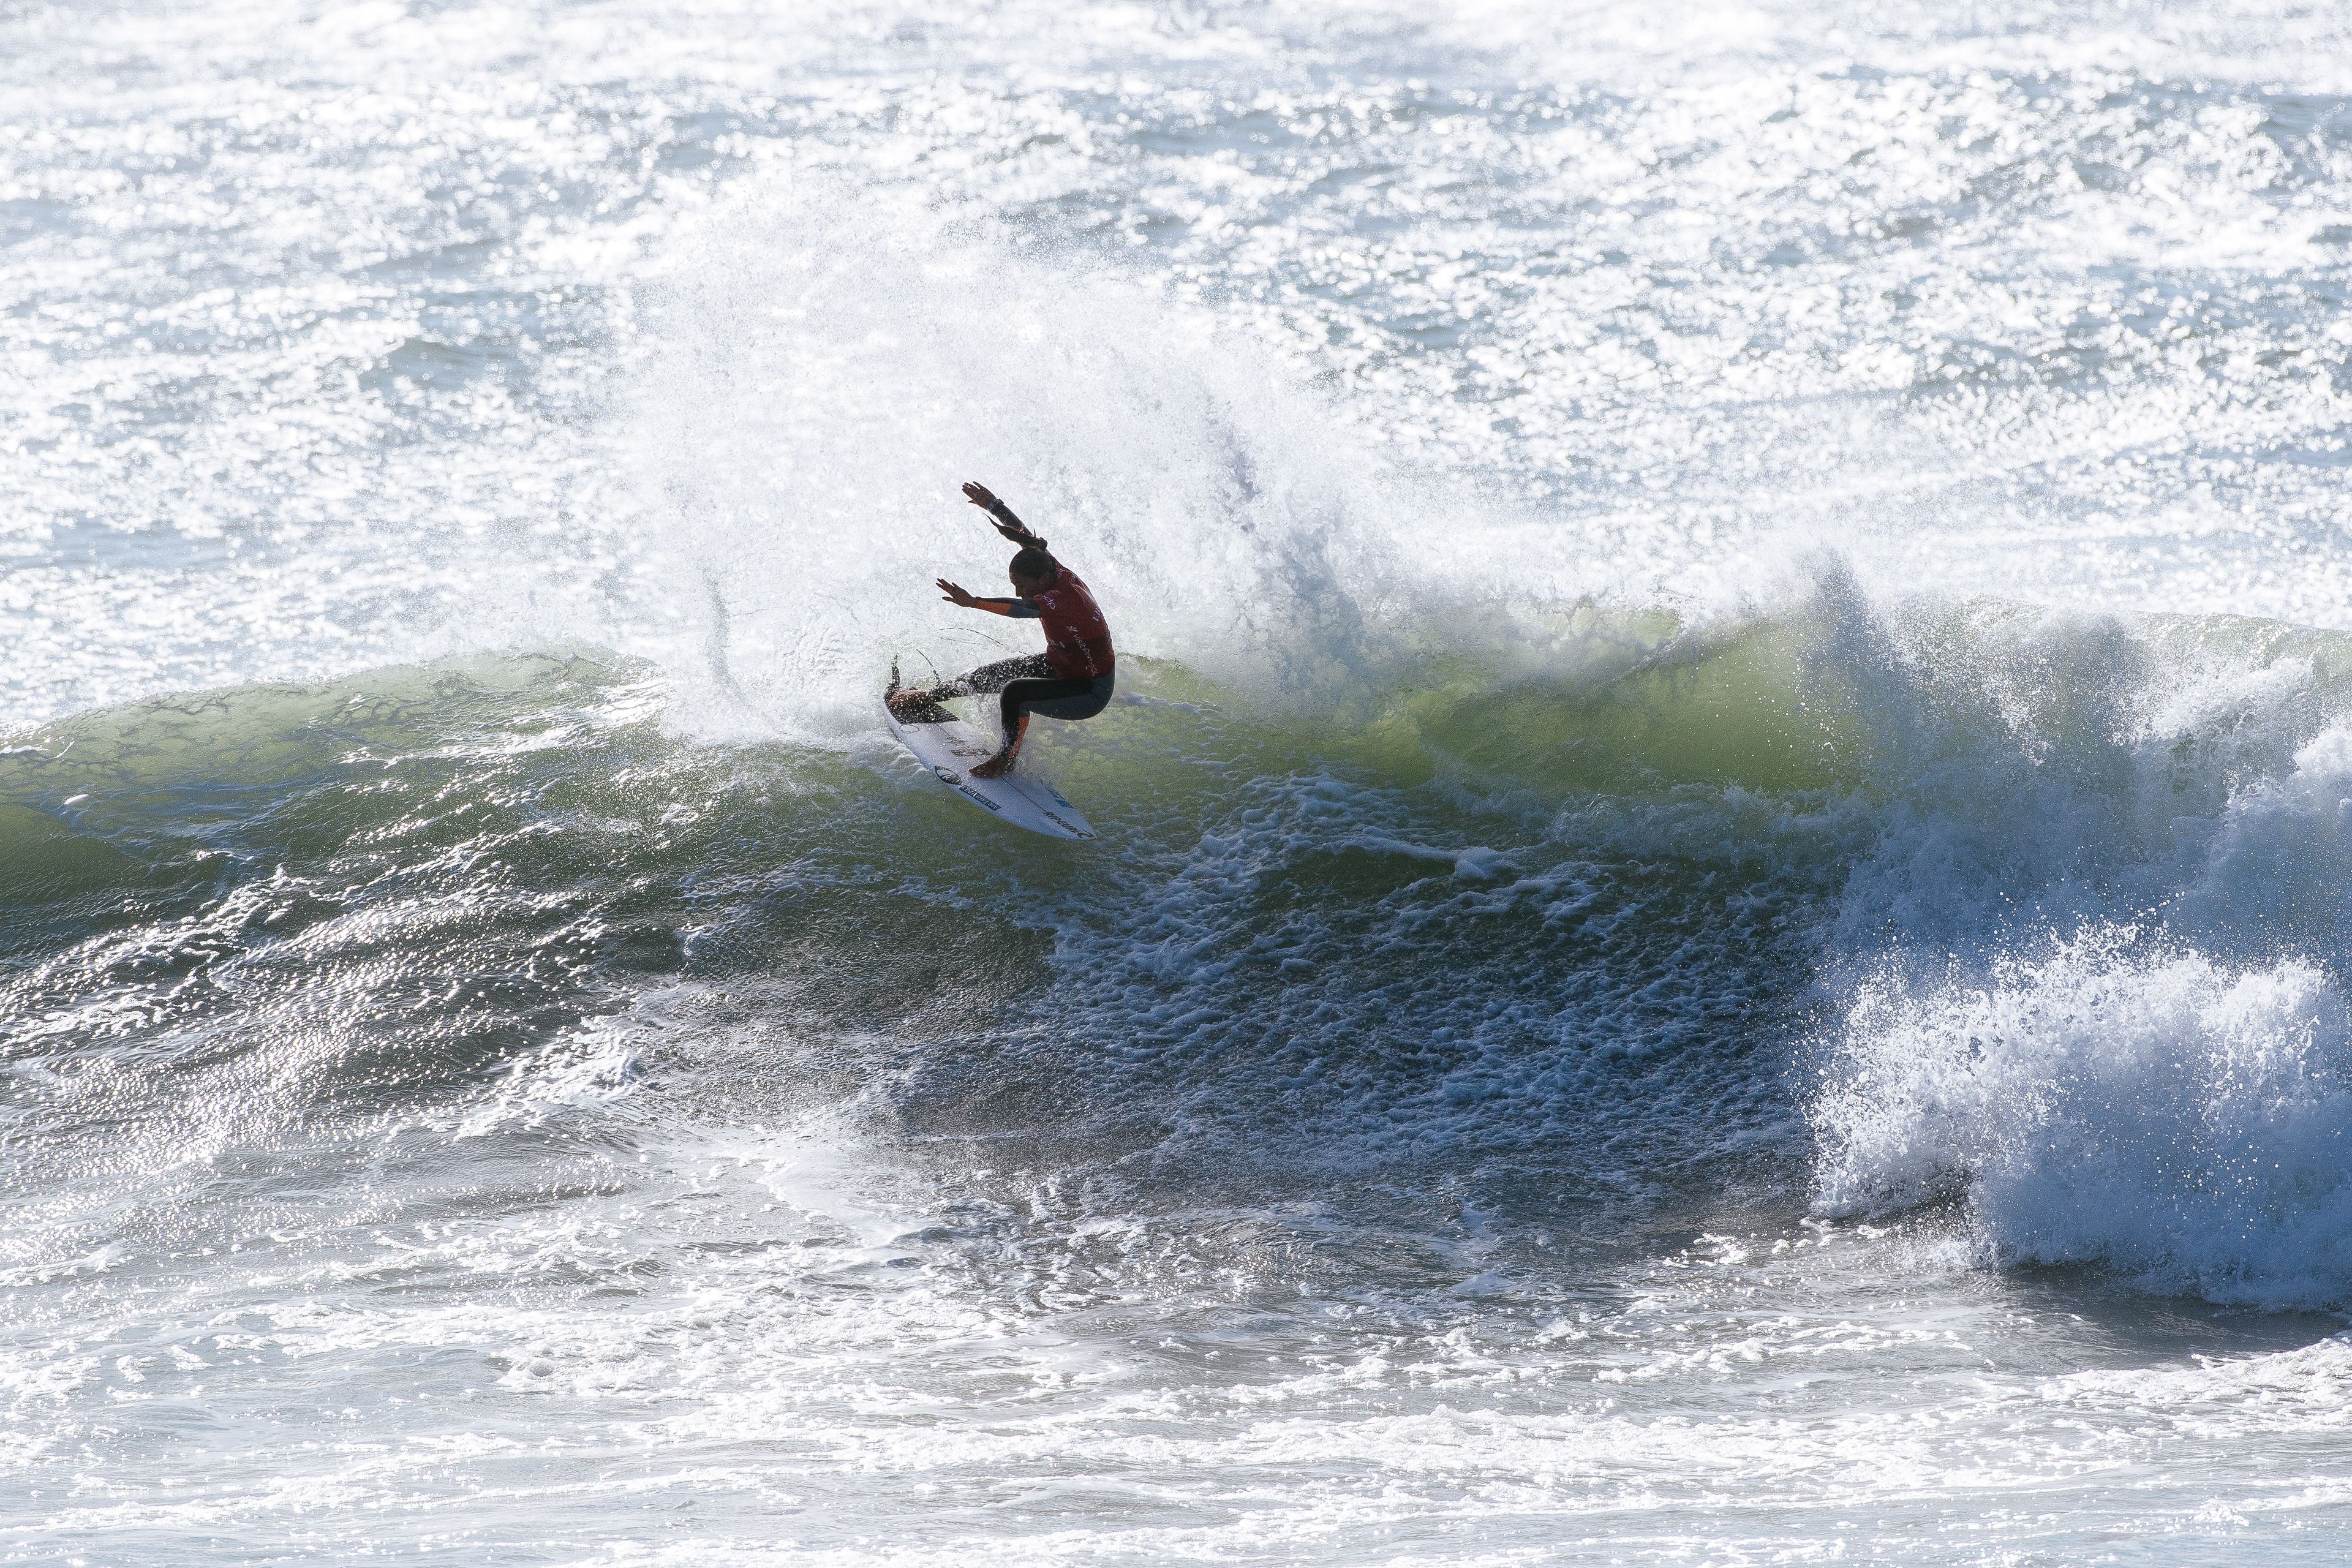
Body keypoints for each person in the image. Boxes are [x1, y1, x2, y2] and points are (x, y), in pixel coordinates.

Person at [888, 481, 1116, 778]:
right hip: (1062, 663)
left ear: (1043, 578)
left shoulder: (1067, 598)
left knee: (1014, 693)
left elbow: (1022, 609)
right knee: (989, 676)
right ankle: (929, 696)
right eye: (1015, 585)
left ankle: (1007, 758)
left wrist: (975, 602)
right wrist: (994, 505)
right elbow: (1026, 538)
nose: (1021, 592)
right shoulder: (1048, 565)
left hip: (1089, 690)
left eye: (1023, 585)